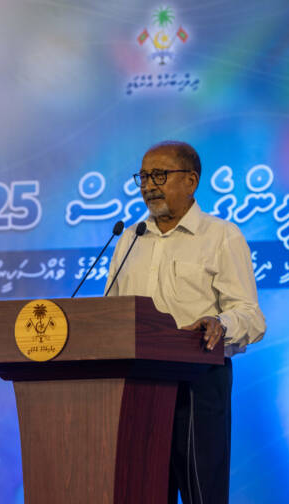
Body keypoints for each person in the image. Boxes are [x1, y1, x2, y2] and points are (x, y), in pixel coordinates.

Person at [105, 141, 266, 504]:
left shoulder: (221, 235)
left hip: (198, 383)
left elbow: (251, 315)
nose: (148, 186)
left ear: (191, 181)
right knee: (140, 492)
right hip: (137, 386)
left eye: (159, 175)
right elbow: (111, 313)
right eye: (143, 177)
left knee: (201, 493)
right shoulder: (130, 238)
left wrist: (219, 323)